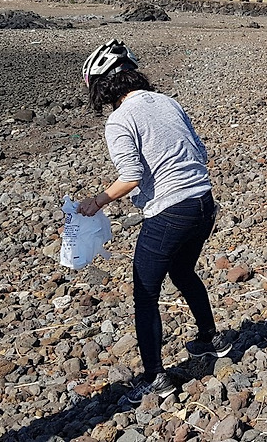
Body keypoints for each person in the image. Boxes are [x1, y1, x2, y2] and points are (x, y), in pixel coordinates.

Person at [75, 40, 229, 406]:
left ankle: (155, 378)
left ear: (101, 86)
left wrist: (97, 201)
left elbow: (130, 176)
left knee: (145, 294)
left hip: (170, 211)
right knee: (183, 271)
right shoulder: (167, 102)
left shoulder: (119, 119)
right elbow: (200, 151)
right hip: (203, 202)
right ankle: (211, 338)